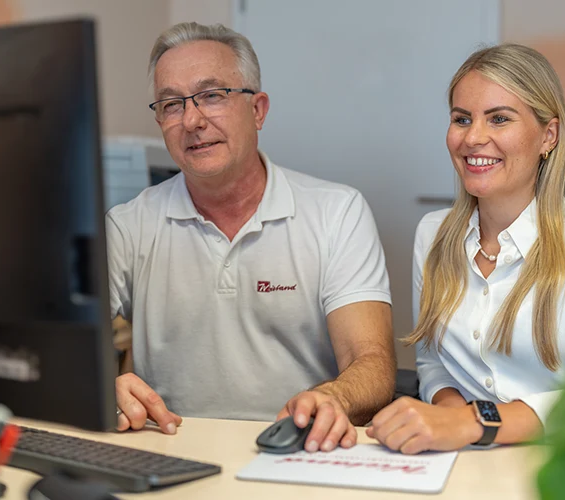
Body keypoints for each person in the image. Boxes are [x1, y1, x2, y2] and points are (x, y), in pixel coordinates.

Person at [108, 22, 396, 453]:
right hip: (169, 448)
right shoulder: (129, 223)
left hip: (296, 447)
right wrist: (100, 384)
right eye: (171, 104)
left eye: (211, 96)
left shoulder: (336, 211)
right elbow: (63, 351)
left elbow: (371, 363)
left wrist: (333, 398)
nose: (191, 120)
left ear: (258, 110)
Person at [367, 44, 565, 454]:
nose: (473, 138)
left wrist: (472, 423)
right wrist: (447, 419)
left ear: (549, 135)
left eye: (499, 119)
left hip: (563, 461)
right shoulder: (432, 235)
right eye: (461, 119)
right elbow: (434, 364)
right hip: (459, 461)